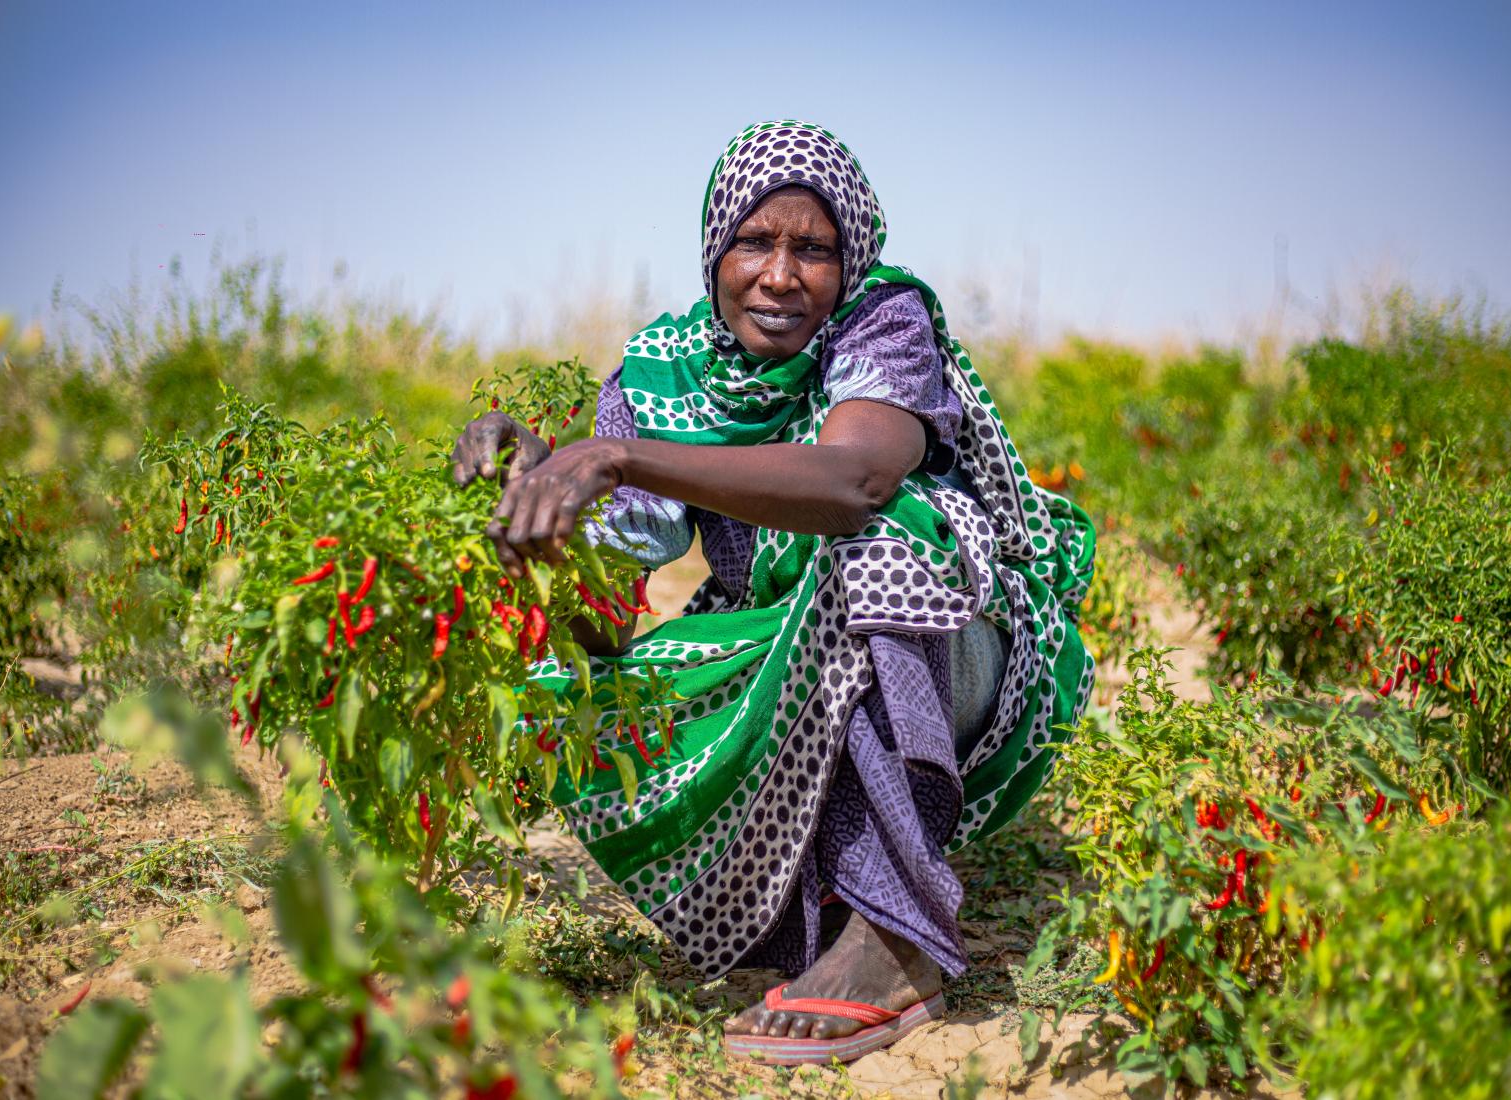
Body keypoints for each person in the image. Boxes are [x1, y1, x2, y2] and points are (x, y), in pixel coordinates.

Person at [450, 120, 1096, 1065]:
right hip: (792, 648)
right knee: (587, 697)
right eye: (755, 242)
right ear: (715, 251)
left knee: (880, 541)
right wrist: (543, 506)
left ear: (853, 258)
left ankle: (896, 939)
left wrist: (620, 455)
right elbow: (605, 610)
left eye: (814, 248)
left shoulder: (883, 322)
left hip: (962, 649)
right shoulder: (664, 370)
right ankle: (811, 903)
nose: (782, 275)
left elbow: (854, 485)